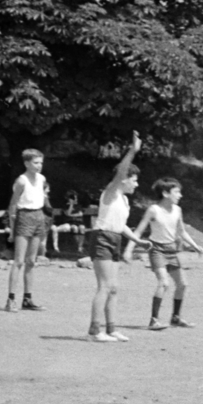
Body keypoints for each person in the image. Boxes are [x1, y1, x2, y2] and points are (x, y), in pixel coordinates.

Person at [85, 132, 145, 343]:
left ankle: (112, 329)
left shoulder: (124, 201)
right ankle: (95, 330)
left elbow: (120, 226)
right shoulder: (111, 192)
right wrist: (132, 151)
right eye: (134, 180)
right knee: (104, 286)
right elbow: (120, 172)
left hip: (114, 238)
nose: (135, 185)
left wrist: (137, 241)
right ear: (124, 179)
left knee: (114, 287)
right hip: (102, 238)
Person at [128, 177, 203, 331]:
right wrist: (129, 248)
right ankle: (154, 320)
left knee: (182, 284)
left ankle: (175, 317)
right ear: (165, 193)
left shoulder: (177, 210)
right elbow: (139, 230)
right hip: (156, 249)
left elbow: (181, 231)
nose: (180, 195)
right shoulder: (153, 210)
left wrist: (195, 246)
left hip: (171, 249)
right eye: (177, 192)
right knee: (164, 283)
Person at [3, 148, 50, 312]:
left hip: (38, 216)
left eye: (41, 162)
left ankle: (28, 299)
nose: (39, 166)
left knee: (31, 261)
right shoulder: (21, 181)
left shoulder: (42, 179)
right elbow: (13, 205)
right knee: (19, 261)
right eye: (36, 163)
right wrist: (12, 229)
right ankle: (11, 299)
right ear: (26, 163)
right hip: (24, 217)